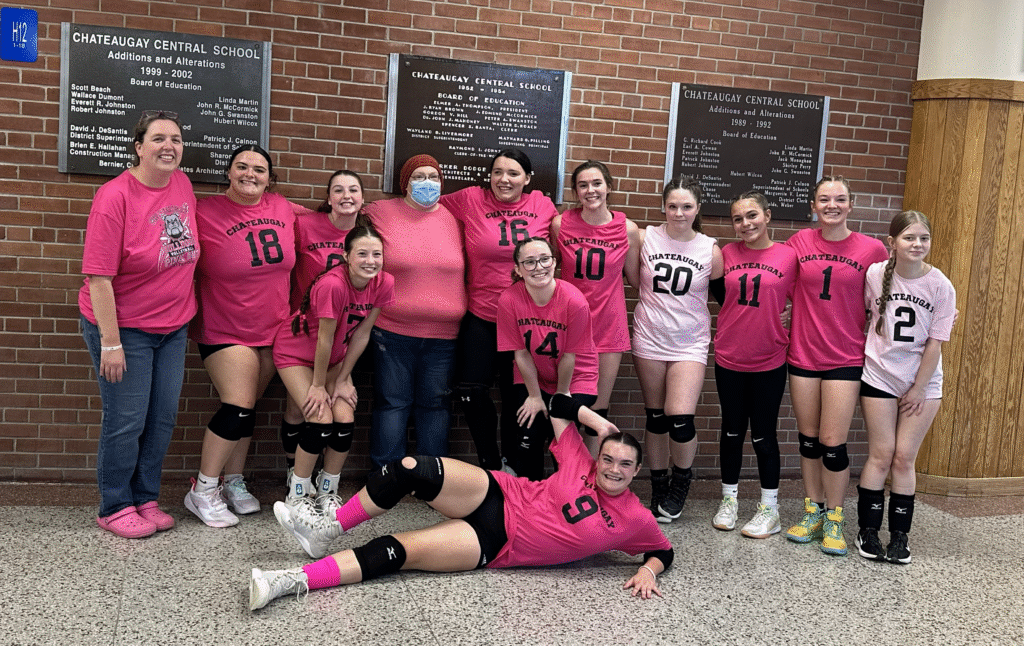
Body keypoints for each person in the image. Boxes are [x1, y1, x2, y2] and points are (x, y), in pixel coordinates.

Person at [251, 405, 672, 610]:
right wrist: (599, 426)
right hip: (498, 494)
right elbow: (558, 402)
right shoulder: (580, 458)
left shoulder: (634, 517)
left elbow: (664, 551)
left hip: (496, 542)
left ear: (636, 472)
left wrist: (646, 569)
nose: (614, 469)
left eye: (625, 465)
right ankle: (328, 529)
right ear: (599, 458)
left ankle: (288, 580)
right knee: (411, 468)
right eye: (609, 459)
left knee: (397, 549)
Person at [79, 110, 200, 538]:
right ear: (138, 147)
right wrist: (110, 343)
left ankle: (145, 497)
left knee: (161, 417)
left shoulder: (182, 184)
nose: (169, 146)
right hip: (123, 329)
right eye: (158, 139)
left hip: (173, 327)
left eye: (177, 138)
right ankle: (114, 504)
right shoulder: (115, 197)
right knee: (126, 419)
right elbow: (98, 277)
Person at [185, 145, 296, 527]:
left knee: (249, 408)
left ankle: (233, 481)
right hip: (224, 326)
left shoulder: (282, 208)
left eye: (260, 169)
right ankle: (202, 489)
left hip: (273, 326)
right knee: (237, 405)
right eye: (242, 167)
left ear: (270, 177)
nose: (251, 174)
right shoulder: (204, 210)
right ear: (229, 173)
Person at [783, 176, 888, 556]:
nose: (832, 205)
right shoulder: (798, 243)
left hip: (845, 356)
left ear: (850, 204)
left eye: (840, 199)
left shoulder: (872, 249)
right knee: (808, 440)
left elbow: (895, 293)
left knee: (833, 443)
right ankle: (812, 510)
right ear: (813, 205)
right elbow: (774, 279)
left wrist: (941, 312)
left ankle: (835, 517)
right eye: (824, 199)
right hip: (803, 355)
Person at [440, 149, 559, 471]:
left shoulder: (543, 206)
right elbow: (424, 207)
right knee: (471, 392)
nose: (504, 179)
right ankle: (488, 462)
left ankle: (512, 462)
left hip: (526, 319)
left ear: (528, 179)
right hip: (482, 314)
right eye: (497, 172)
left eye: (513, 173)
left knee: (518, 396)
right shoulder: (469, 199)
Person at [273, 226, 395, 517]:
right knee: (319, 418)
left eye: (376, 254)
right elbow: (324, 339)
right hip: (297, 353)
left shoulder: (385, 282)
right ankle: (298, 494)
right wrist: (318, 386)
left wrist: (341, 379)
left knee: (344, 418)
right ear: (346, 256)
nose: (370, 261)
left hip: (334, 358)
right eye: (362, 254)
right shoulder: (334, 284)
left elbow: (363, 333)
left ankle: (328, 491)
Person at [855, 210, 955, 564]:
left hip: (922, 383)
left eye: (923, 238)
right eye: (909, 238)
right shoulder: (875, 274)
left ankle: (900, 536)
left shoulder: (941, 285)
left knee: (904, 458)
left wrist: (917, 388)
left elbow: (935, 343)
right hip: (880, 375)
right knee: (881, 455)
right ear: (892, 243)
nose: (917, 244)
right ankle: (867, 531)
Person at [629, 176, 723, 523]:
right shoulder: (645, 237)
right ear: (663, 207)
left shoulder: (710, 249)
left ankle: (682, 480)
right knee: (655, 417)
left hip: (690, 342)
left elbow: (726, 299)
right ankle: (658, 484)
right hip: (650, 337)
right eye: (672, 206)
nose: (679, 213)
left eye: (686, 206)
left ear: (697, 209)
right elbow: (633, 278)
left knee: (679, 417)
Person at [363, 155, 467, 466]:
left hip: (445, 338)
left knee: (435, 405)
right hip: (392, 332)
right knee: (393, 404)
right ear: (405, 183)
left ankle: (432, 478)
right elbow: (341, 212)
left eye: (433, 177)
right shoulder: (381, 211)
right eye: (419, 177)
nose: (427, 183)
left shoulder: (455, 218)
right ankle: (386, 478)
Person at [711, 192, 798, 538]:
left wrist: (785, 318)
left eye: (752, 216)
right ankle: (729, 499)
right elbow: (721, 295)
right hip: (729, 356)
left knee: (764, 435)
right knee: (731, 431)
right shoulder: (725, 254)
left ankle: (769, 508)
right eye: (738, 219)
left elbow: (806, 298)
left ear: (767, 216)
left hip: (769, 359)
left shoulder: (789, 256)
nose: (745, 224)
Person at [279, 170, 366, 487]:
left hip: (340, 342)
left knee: (341, 412)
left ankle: (326, 482)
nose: (346, 196)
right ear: (328, 198)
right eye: (338, 190)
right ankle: (295, 472)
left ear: (362, 199)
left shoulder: (366, 236)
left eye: (353, 190)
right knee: (300, 407)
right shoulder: (306, 225)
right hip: (303, 336)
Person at [552, 161, 640, 448]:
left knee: (596, 411)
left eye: (597, 183)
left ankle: (589, 480)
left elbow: (636, 280)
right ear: (576, 191)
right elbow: (551, 269)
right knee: (565, 407)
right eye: (583, 185)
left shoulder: (627, 229)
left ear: (609, 187)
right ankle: (568, 477)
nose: (591, 190)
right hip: (568, 326)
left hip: (607, 326)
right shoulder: (560, 223)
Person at [496, 237, 598, 479]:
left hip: (574, 377)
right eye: (529, 262)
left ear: (554, 263)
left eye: (544, 259)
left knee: (560, 433)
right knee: (528, 434)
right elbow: (520, 353)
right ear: (518, 270)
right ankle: (531, 497)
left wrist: (560, 397)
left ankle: (567, 496)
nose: (538, 267)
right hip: (534, 376)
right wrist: (534, 396)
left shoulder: (574, 301)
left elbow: (569, 357)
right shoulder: (509, 300)